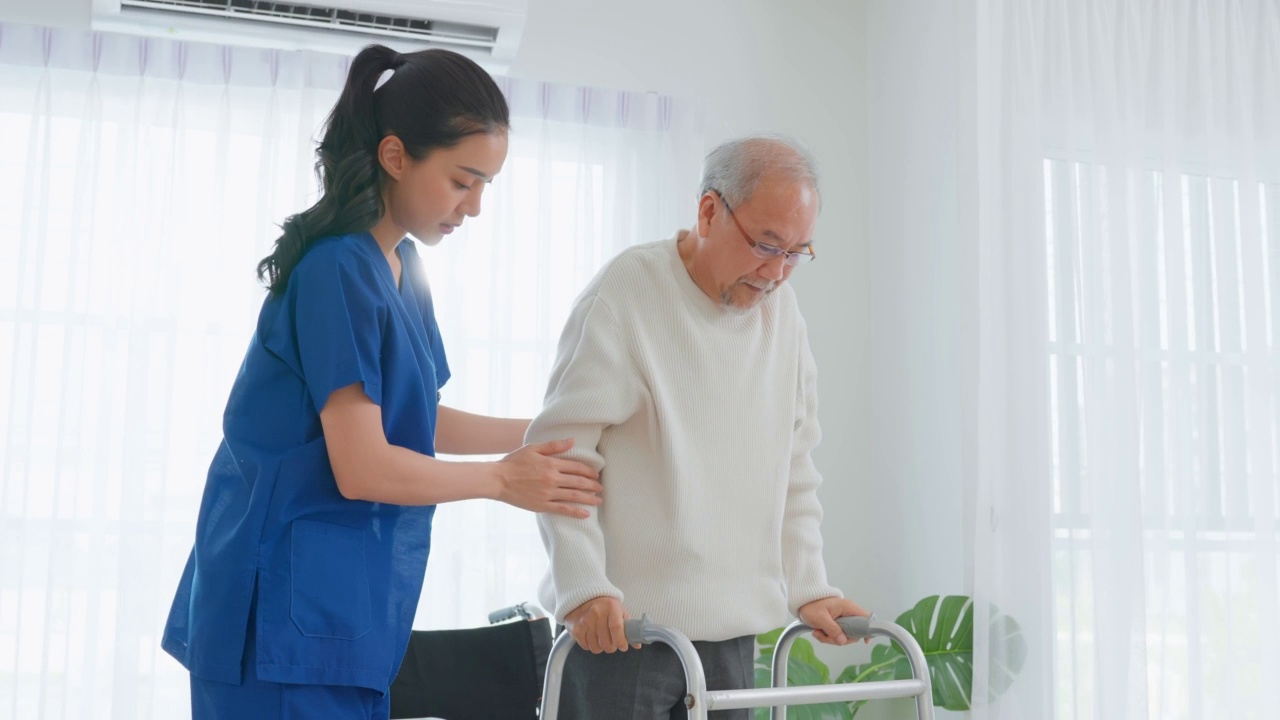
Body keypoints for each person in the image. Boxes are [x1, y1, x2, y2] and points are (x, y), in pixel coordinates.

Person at [161, 45, 602, 720]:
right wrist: (501, 479)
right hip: (278, 611)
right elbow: (362, 465)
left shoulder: (401, 270)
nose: (476, 207)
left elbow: (417, 418)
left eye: (487, 185)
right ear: (396, 157)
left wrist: (554, 432)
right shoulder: (336, 269)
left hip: (342, 610)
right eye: (463, 180)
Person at [528, 134, 869, 718]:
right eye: (766, 244)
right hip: (624, 635)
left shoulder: (782, 316)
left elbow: (793, 466)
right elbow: (563, 456)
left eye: (797, 252)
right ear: (709, 211)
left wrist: (810, 585)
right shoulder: (628, 293)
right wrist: (583, 587)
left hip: (733, 639)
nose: (778, 272)